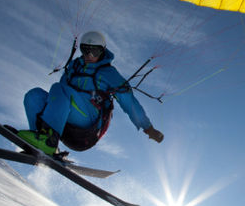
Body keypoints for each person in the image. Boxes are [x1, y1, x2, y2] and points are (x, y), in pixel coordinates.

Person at [17, 31, 164, 156]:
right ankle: (40, 141)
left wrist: (148, 128)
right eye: (85, 50)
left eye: (94, 51)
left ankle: (48, 141)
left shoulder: (108, 73)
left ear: (102, 51)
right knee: (33, 96)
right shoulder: (74, 67)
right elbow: (58, 99)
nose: (89, 55)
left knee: (59, 88)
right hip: (64, 125)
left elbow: (129, 101)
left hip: (87, 128)